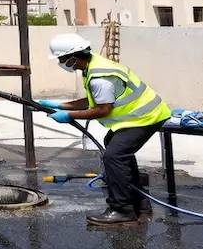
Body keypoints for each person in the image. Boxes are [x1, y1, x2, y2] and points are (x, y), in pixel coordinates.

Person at [38, 33, 171, 226]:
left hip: (145, 118)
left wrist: (69, 116)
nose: (60, 63)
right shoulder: (93, 66)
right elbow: (95, 99)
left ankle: (121, 211)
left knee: (114, 156)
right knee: (116, 151)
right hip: (138, 117)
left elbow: (102, 109)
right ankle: (139, 204)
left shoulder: (100, 76)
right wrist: (61, 105)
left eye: (61, 59)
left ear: (72, 58)